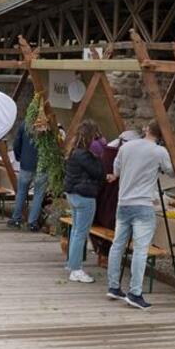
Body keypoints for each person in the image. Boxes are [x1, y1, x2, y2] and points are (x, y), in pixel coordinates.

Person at [106, 121, 173, 310]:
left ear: (146, 129)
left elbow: (116, 170)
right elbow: (171, 172)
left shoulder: (126, 147)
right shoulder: (159, 151)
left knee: (117, 245)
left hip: (123, 203)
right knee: (140, 250)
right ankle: (135, 293)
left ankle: (113, 286)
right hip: (143, 204)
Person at [63, 120, 105, 284]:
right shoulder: (86, 155)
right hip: (85, 196)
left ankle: (72, 263)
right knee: (81, 233)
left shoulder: (74, 152)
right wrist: (100, 153)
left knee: (76, 231)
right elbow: (98, 172)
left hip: (73, 194)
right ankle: (76, 270)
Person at [7, 120, 48, 231]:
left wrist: (19, 157)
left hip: (26, 164)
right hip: (42, 166)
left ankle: (16, 218)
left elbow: (17, 143)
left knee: (21, 192)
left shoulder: (25, 124)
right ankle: (32, 222)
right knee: (38, 195)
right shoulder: (48, 125)